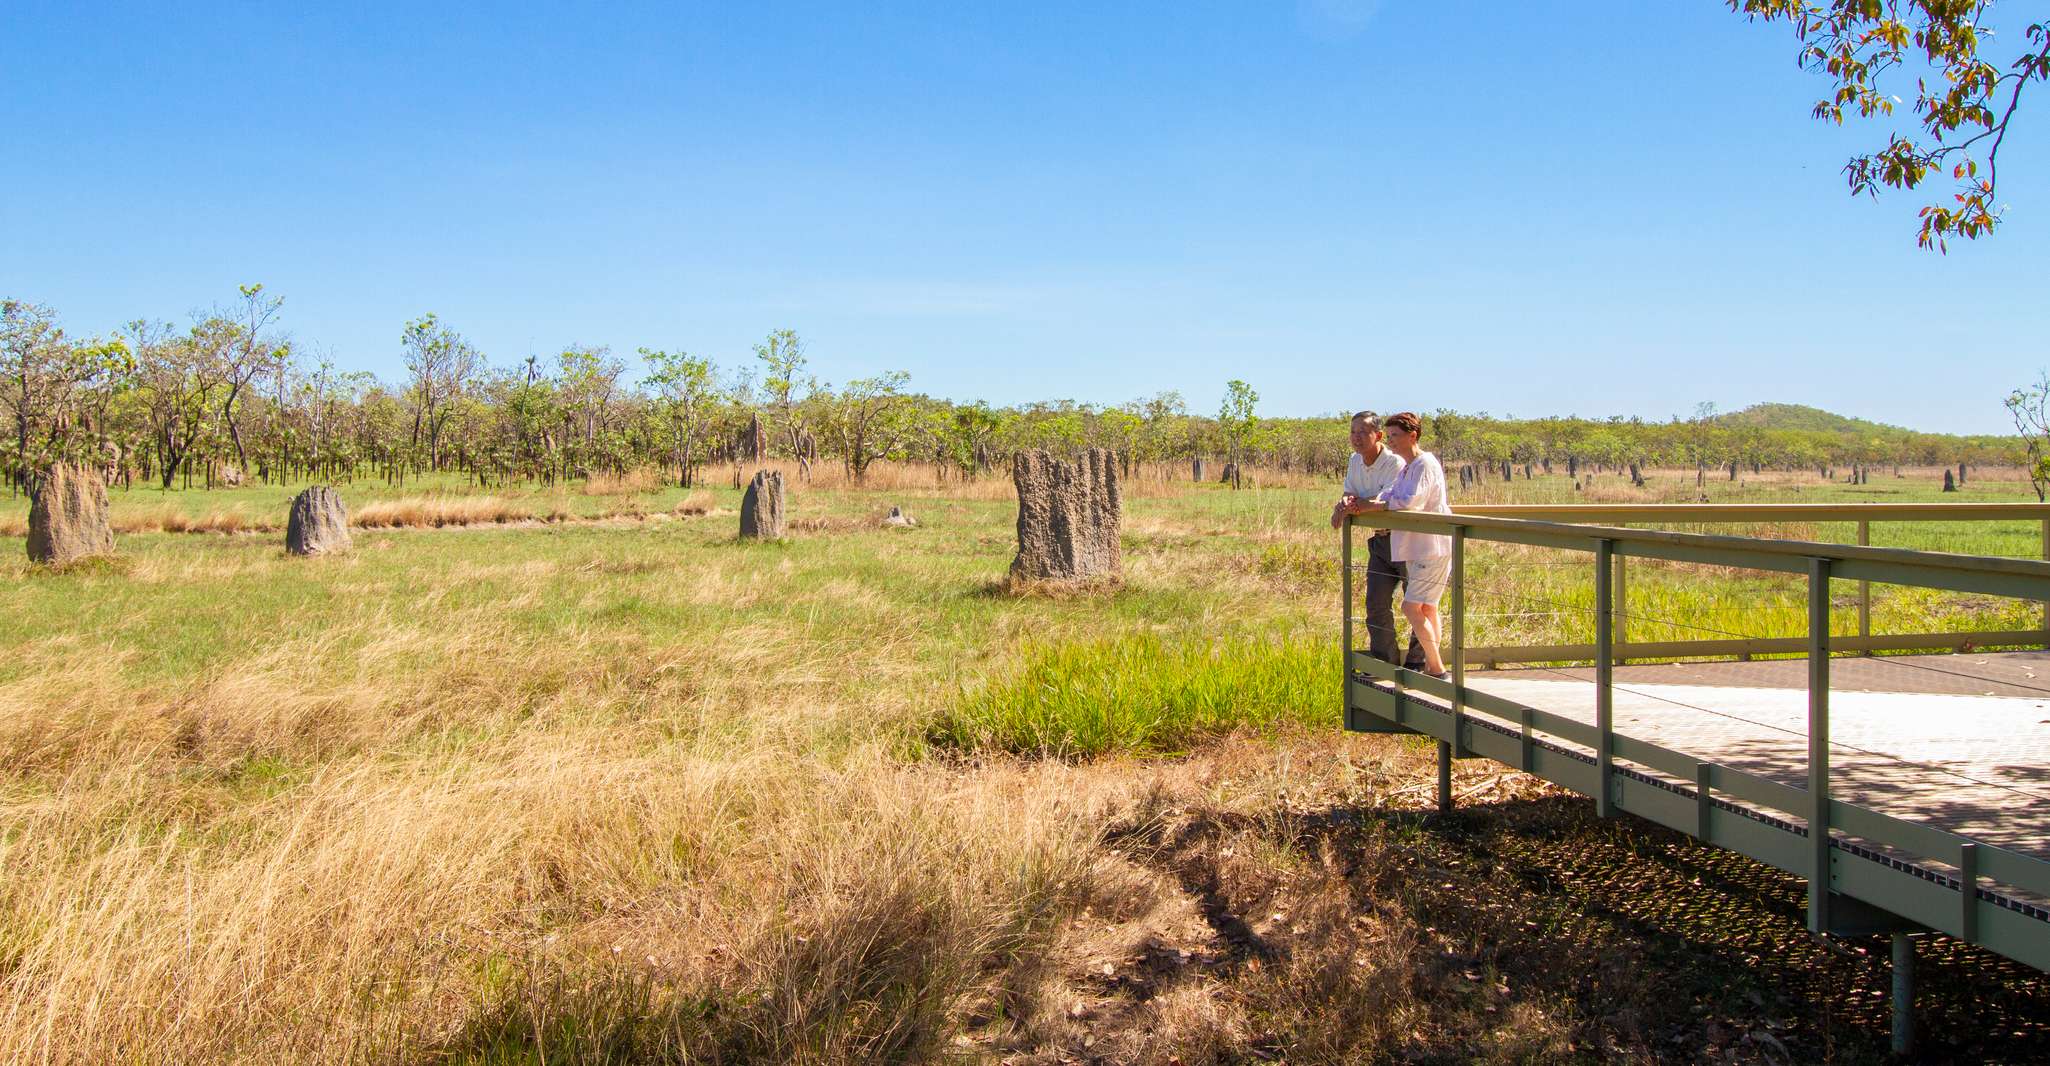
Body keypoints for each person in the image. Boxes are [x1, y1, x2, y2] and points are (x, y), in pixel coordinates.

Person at [1330, 411, 1426, 672]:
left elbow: (1387, 501)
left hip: (1407, 539)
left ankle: (1418, 662)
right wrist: (1345, 504)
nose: (1357, 437)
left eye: (1363, 432)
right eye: (1353, 432)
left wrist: (1359, 504)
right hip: (1381, 540)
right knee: (1375, 604)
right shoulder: (1355, 461)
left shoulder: (1395, 462)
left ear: (1379, 435)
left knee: (1416, 602)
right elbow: (1351, 493)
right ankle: (1385, 664)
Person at [1357, 411, 1452, 679]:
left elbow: (1410, 501)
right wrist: (1368, 503)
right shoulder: (1408, 467)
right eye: (1389, 436)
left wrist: (1377, 506)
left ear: (1413, 436)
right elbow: (1390, 493)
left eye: (1396, 436)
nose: (1391, 441)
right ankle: (1433, 665)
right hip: (1419, 546)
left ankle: (1437, 668)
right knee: (1427, 607)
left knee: (1411, 607)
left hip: (1431, 546)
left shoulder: (1424, 464)